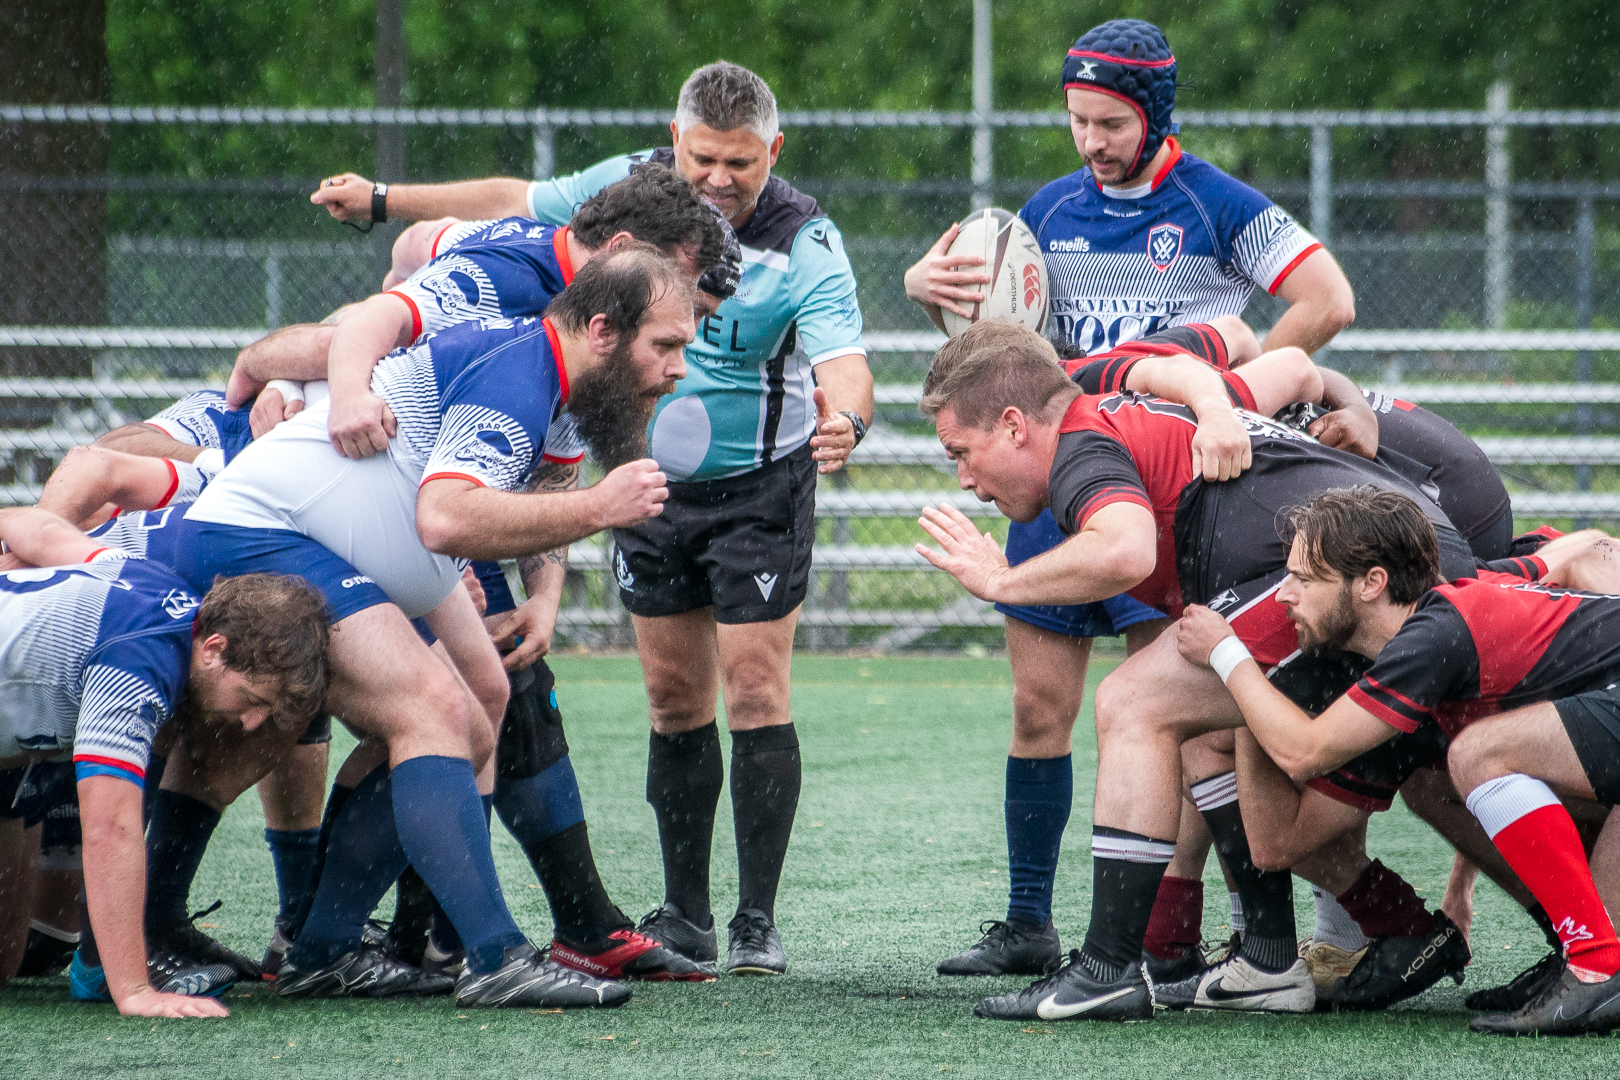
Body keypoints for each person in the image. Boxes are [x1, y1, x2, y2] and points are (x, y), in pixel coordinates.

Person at [311, 60, 872, 976]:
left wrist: (845, 417)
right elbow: (448, 249)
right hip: (569, 486)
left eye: (740, 163)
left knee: (704, 692)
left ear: (774, 151)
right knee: (564, 699)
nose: (718, 180)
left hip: (745, 489)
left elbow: (843, 359)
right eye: (702, 160)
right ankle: (416, 935)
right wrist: (374, 236)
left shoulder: (792, 244)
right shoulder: (558, 275)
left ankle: (726, 923)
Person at [902, 17, 1358, 977]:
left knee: (1171, 718)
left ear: (1154, 113)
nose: (1091, 141)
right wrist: (923, 288)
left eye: (1110, 122)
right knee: (1039, 707)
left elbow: (1329, 298)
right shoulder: (1048, 211)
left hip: (1166, 492)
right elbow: (998, 341)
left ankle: (1173, 939)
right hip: (1057, 483)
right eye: (1077, 120)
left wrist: (1234, 387)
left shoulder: (1216, 202)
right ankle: (1028, 923)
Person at [169, 246, 688, 1009]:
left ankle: (322, 950)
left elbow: (533, 489)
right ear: (604, 330)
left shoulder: (564, 384)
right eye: (667, 345)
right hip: (261, 536)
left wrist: (546, 591)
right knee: (433, 709)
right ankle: (494, 956)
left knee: (483, 700)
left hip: (332, 538)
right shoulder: (521, 372)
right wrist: (600, 508)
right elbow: (444, 517)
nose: (680, 368)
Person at [911, 321, 1475, 1022]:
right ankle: (1274, 957)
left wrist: (1001, 581)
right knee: (1204, 736)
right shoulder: (1101, 396)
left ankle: (1107, 971)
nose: (965, 479)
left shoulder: (1081, 445)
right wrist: (1215, 406)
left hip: (1379, 568)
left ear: (1013, 425)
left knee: (1133, 702)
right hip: (1404, 547)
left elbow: (1125, 551)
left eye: (961, 453)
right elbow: (1256, 364)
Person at [1174, 486, 1620, 1035]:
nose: (1282, 595)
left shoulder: (1434, 635)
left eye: (1303, 578)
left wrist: (1230, 654)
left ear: (1372, 583)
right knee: (1443, 779)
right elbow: (1275, 843)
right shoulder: (1434, 630)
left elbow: (1303, 751)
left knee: (1477, 752)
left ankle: (1593, 964)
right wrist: (1254, 702)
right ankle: (1582, 956)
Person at [0, 505, 328, 1017]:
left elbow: (36, 526)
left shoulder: (156, 585)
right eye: (253, 699)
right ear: (214, 648)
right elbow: (109, 829)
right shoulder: (140, 662)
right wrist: (135, 990)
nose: (251, 723)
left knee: (4, 958)